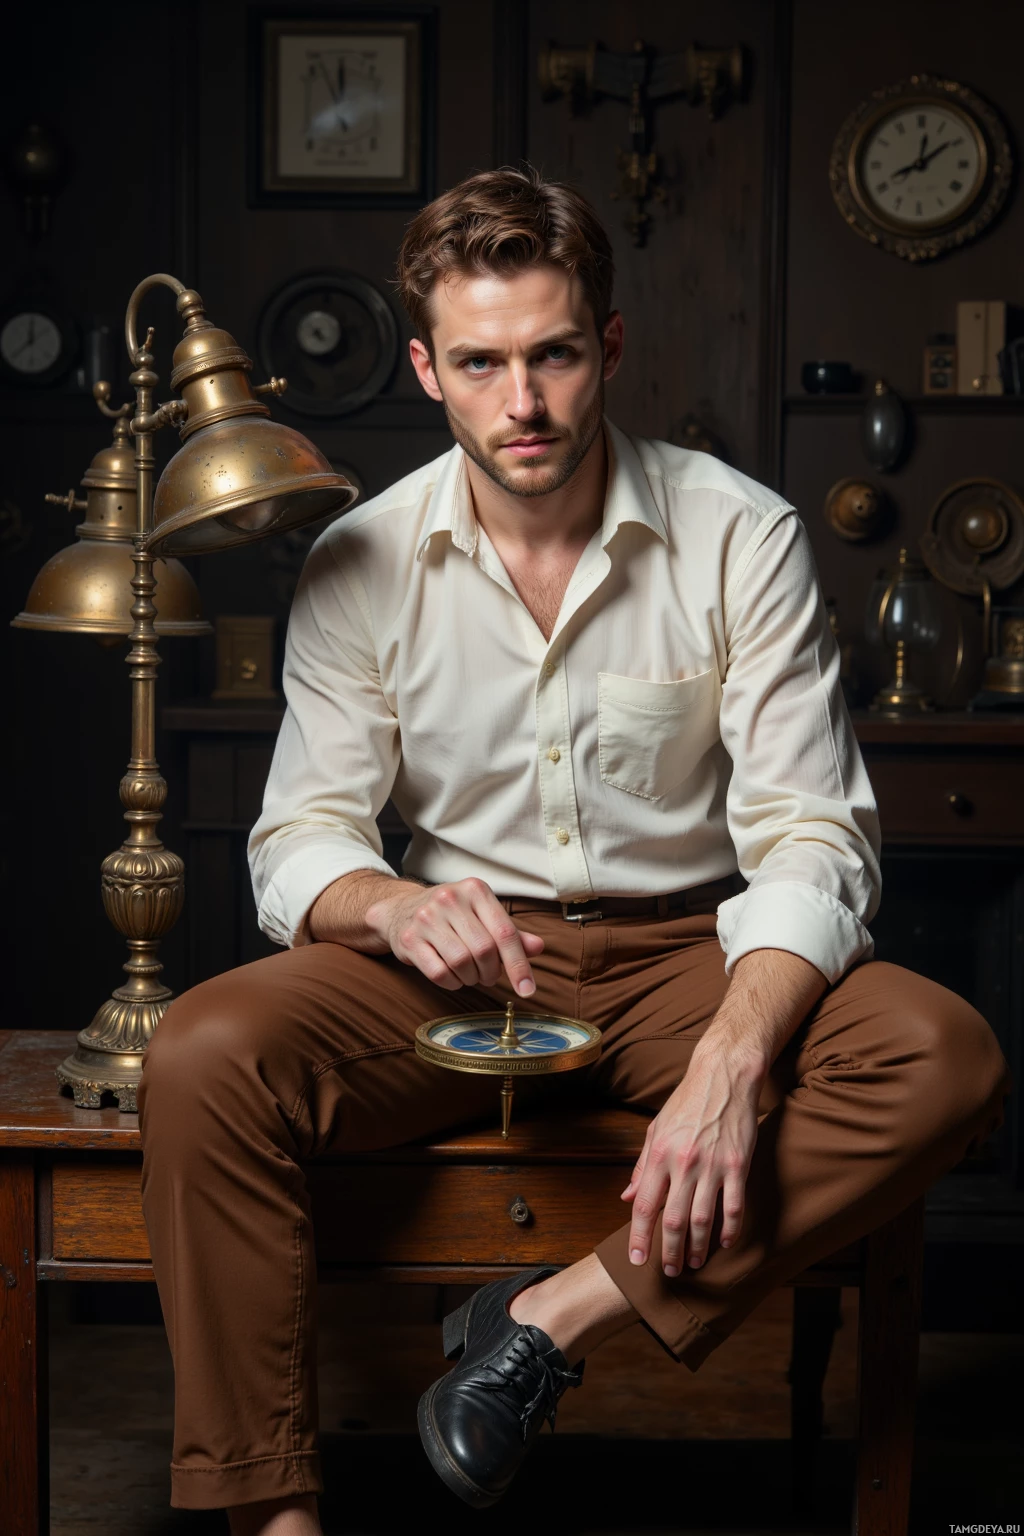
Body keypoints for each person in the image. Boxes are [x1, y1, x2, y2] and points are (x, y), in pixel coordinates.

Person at [137, 167, 1009, 1536]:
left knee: (943, 1053)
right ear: (428, 367)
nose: (522, 403)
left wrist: (733, 1057)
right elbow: (300, 834)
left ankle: (547, 1319)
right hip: (452, 970)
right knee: (199, 1054)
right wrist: (389, 907)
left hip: (689, 959)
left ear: (607, 345)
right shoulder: (356, 560)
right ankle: (272, 1516)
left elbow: (812, 835)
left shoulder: (742, 536)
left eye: (551, 355)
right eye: (481, 364)